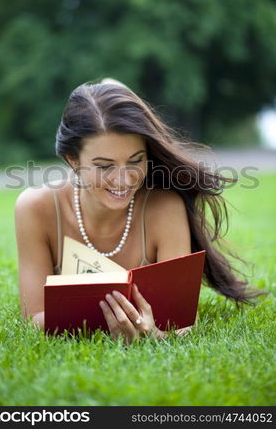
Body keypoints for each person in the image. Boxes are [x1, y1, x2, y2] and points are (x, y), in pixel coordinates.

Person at [14, 79, 266, 345]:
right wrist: (108, 326)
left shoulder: (164, 208)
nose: (123, 181)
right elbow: (34, 317)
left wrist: (153, 335)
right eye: (104, 166)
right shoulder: (36, 208)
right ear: (72, 160)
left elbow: (180, 325)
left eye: (135, 161)